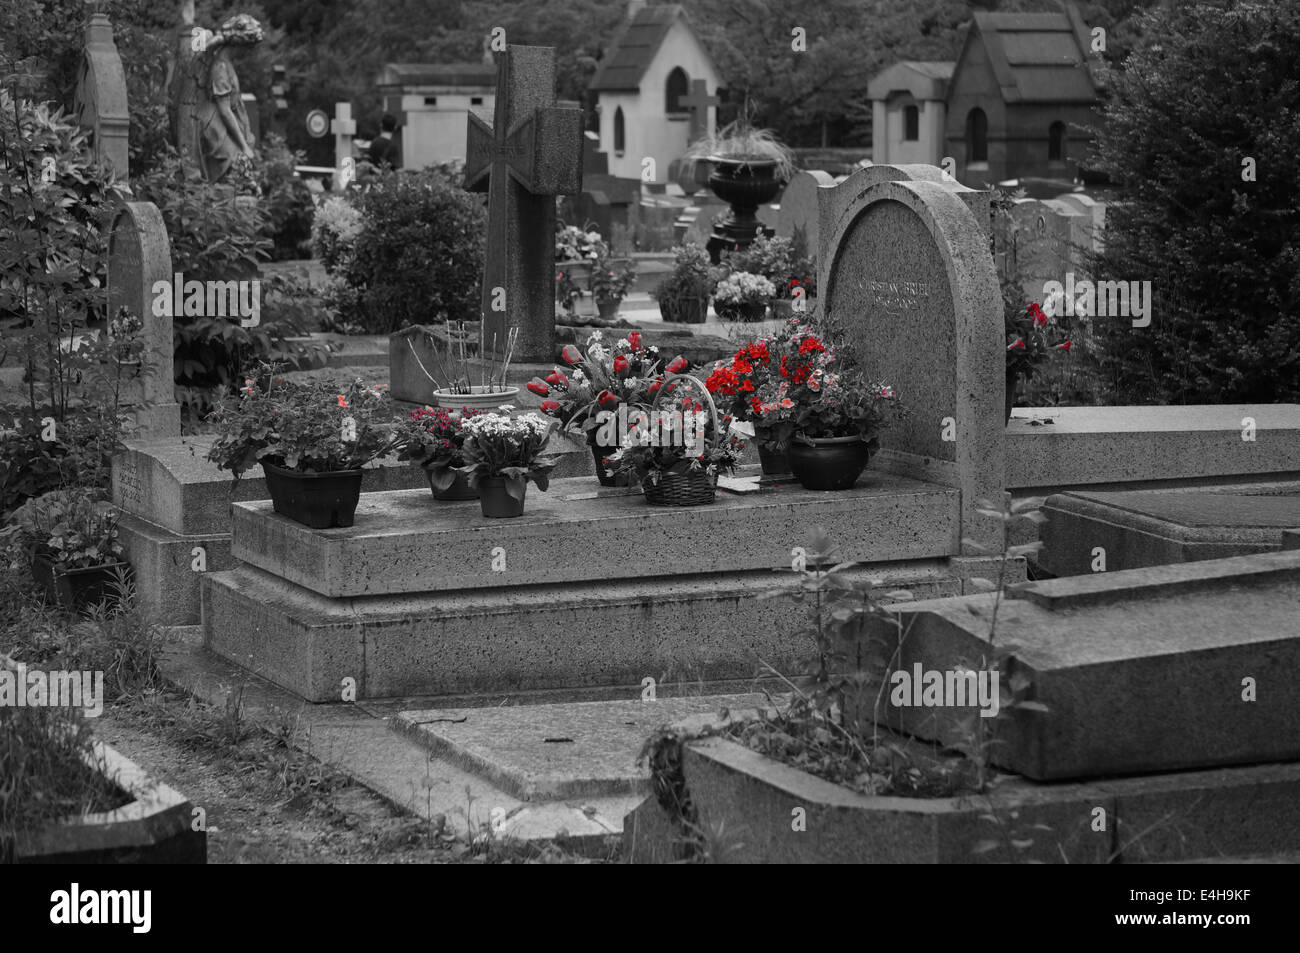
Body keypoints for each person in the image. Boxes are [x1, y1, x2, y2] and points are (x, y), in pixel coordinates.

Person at [192, 14, 264, 194]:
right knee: (234, 164)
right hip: (216, 128)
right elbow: (225, 111)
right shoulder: (220, 68)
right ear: (238, 45)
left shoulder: (227, 64)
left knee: (242, 169)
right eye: (248, 48)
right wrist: (244, 146)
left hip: (227, 124)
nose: (248, 52)